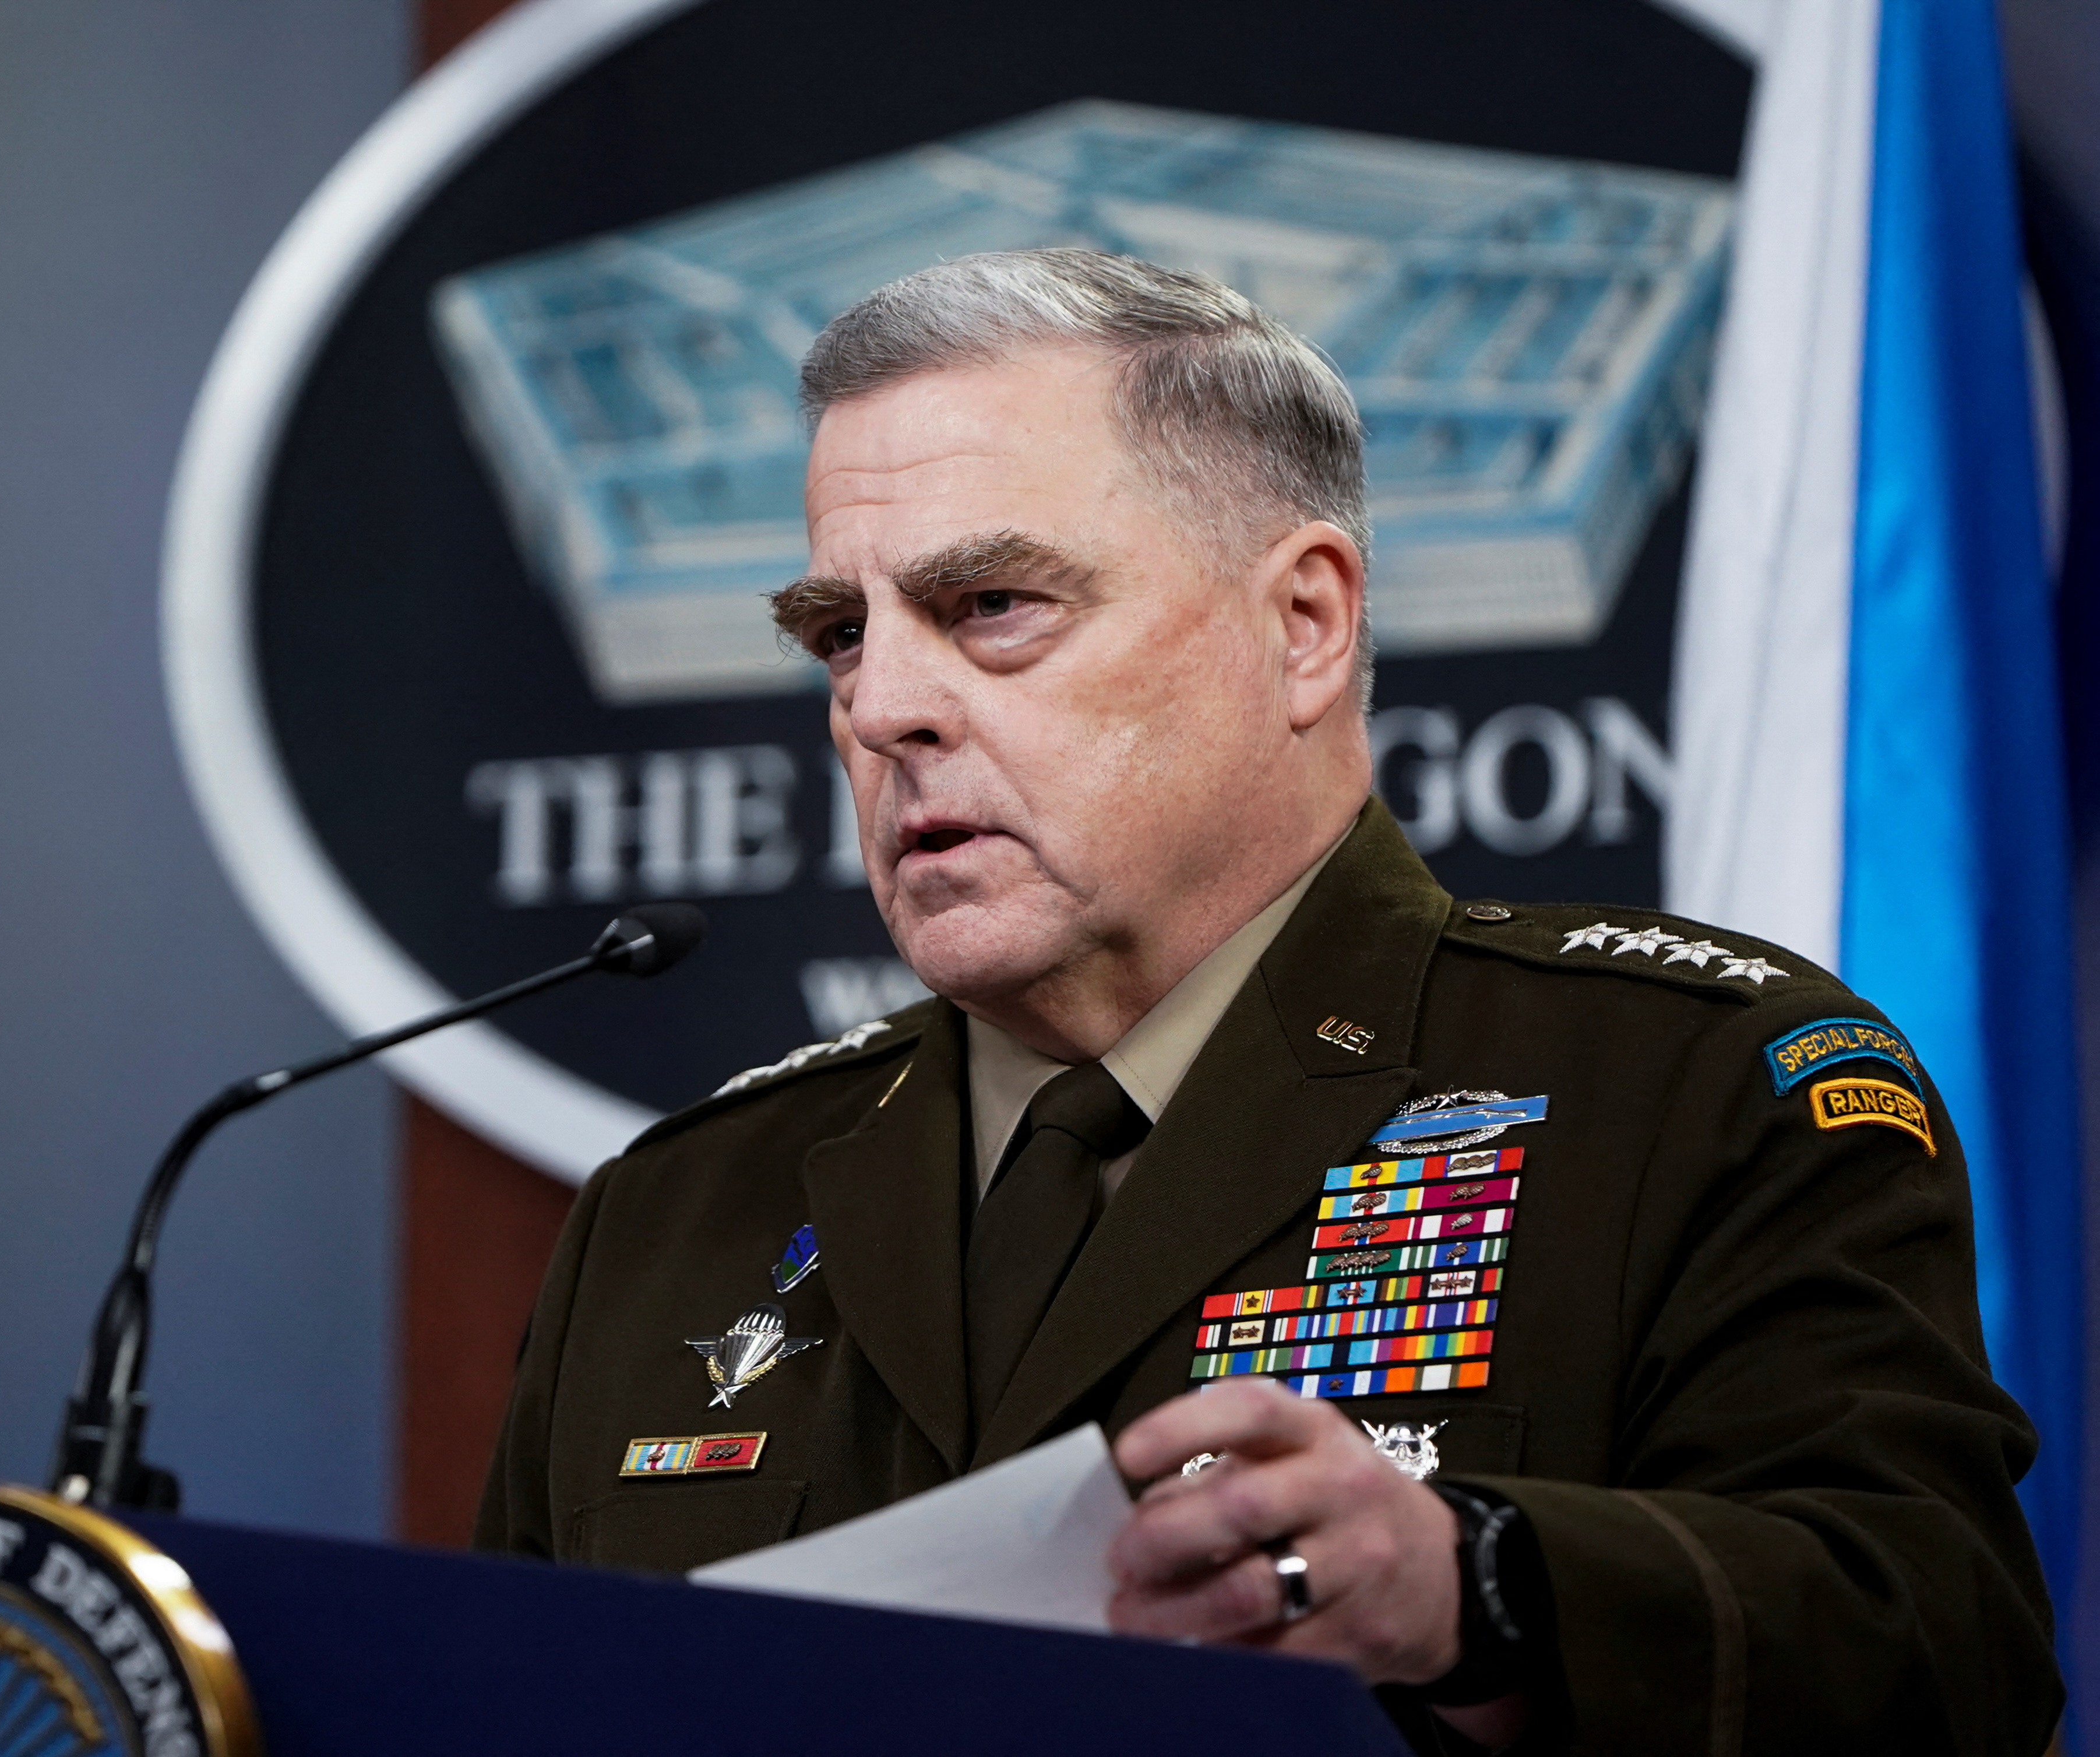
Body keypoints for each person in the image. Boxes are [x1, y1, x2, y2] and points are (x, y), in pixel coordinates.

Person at [473, 248, 2060, 1754]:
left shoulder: (1692, 1086)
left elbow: (1943, 1661)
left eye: (989, 608)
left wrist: (1478, 1591)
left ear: (1302, 623)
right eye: (838, 632)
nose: (880, 705)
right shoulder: (678, 1210)